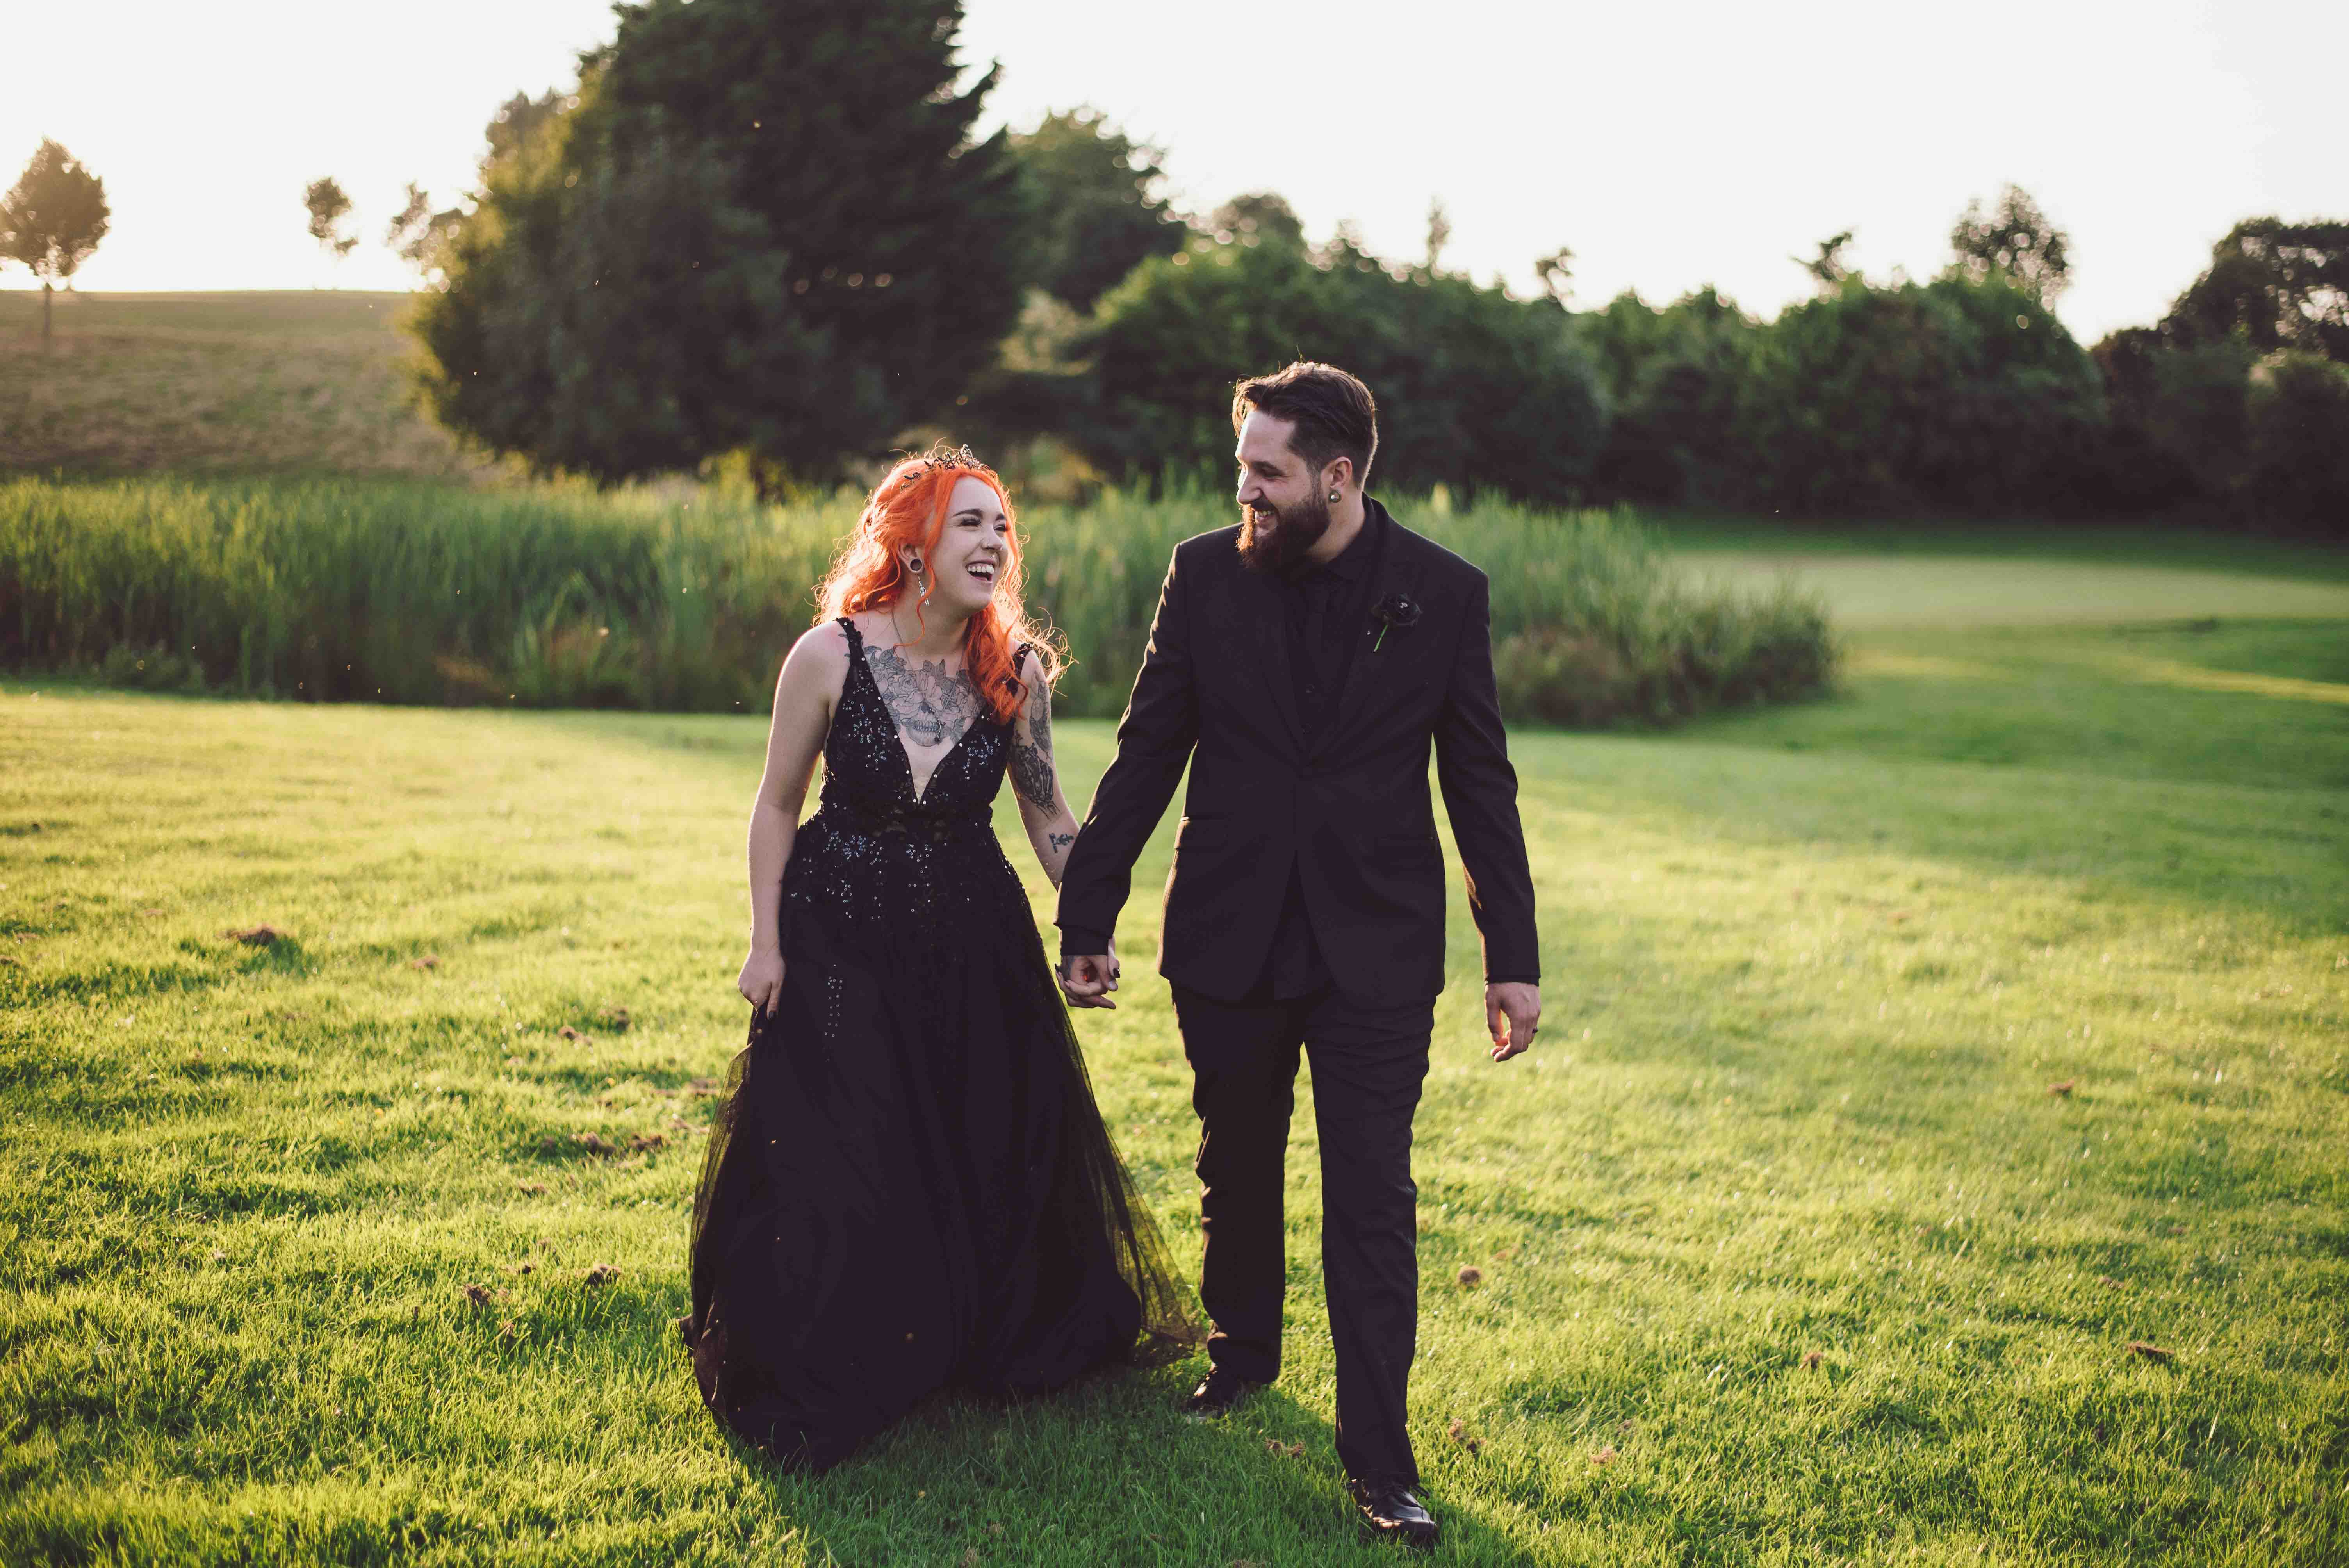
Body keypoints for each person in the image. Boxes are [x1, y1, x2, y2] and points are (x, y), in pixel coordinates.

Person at [1056, 363, 1542, 1550]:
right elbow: (1145, 753)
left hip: (1375, 943)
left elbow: (1478, 781)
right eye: (1241, 471)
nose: (1247, 494)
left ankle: (1382, 1463)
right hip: (1226, 922)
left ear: (1338, 477)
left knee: (1371, 1198)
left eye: (1267, 474)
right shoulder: (1202, 575)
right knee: (1236, 1158)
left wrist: (1511, 956)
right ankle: (1243, 1355)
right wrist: (1089, 913)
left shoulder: (1443, 592)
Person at [680, 444, 1194, 1471]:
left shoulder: (1016, 672)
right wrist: (766, 942)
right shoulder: (827, 655)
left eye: (1003, 527)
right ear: (912, 541)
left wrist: (1086, 927)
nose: (995, 543)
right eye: (970, 523)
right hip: (836, 933)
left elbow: (1048, 815)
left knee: (982, 1139)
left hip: (974, 940)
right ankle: (848, 1342)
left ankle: (969, 1337)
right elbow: (777, 806)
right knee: (848, 1141)